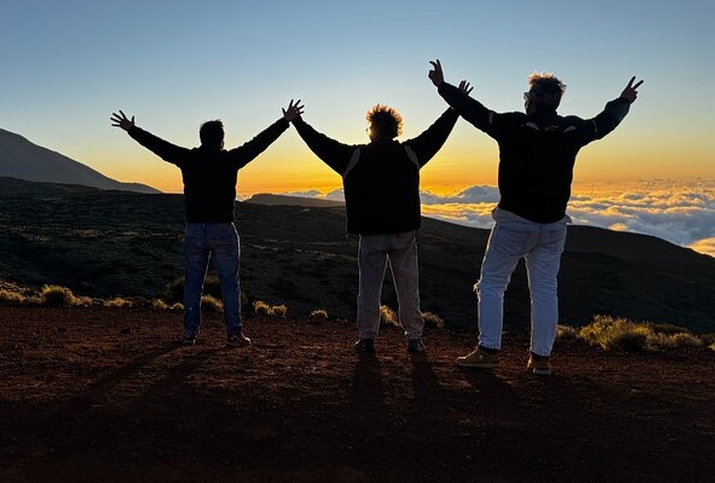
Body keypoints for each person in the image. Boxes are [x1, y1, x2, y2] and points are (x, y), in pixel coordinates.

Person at [428, 59, 643, 375]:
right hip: (554, 225)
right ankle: (541, 359)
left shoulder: (513, 125)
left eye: (527, 95)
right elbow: (605, 122)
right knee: (544, 290)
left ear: (532, 100)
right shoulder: (572, 129)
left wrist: (442, 87)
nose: (525, 100)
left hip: (514, 223)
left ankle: (488, 351)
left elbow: (475, 112)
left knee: (491, 284)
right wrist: (624, 101)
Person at [290, 82, 470, 355]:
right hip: (403, 232)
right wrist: (455, 105)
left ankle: (367, 339)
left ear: (371, 130)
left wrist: (298, 123)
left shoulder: (354, 157)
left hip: (371, 234)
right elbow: (437, 133)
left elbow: (321, 144)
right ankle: (414, 338)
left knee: (369, 289)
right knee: (408, 288)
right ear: (396, 130)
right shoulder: (410, 153)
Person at [111, 100, 304, 347]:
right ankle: (233, 334)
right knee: (230, 284)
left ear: (201, 138)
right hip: (223, 228)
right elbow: (259, 143)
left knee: (193, 283)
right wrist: (285, 121)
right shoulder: (230, 159)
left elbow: (159, 146)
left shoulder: (188, 158)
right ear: (222, 140)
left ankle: (189, 333)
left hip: (194, 229)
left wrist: (132, 129)